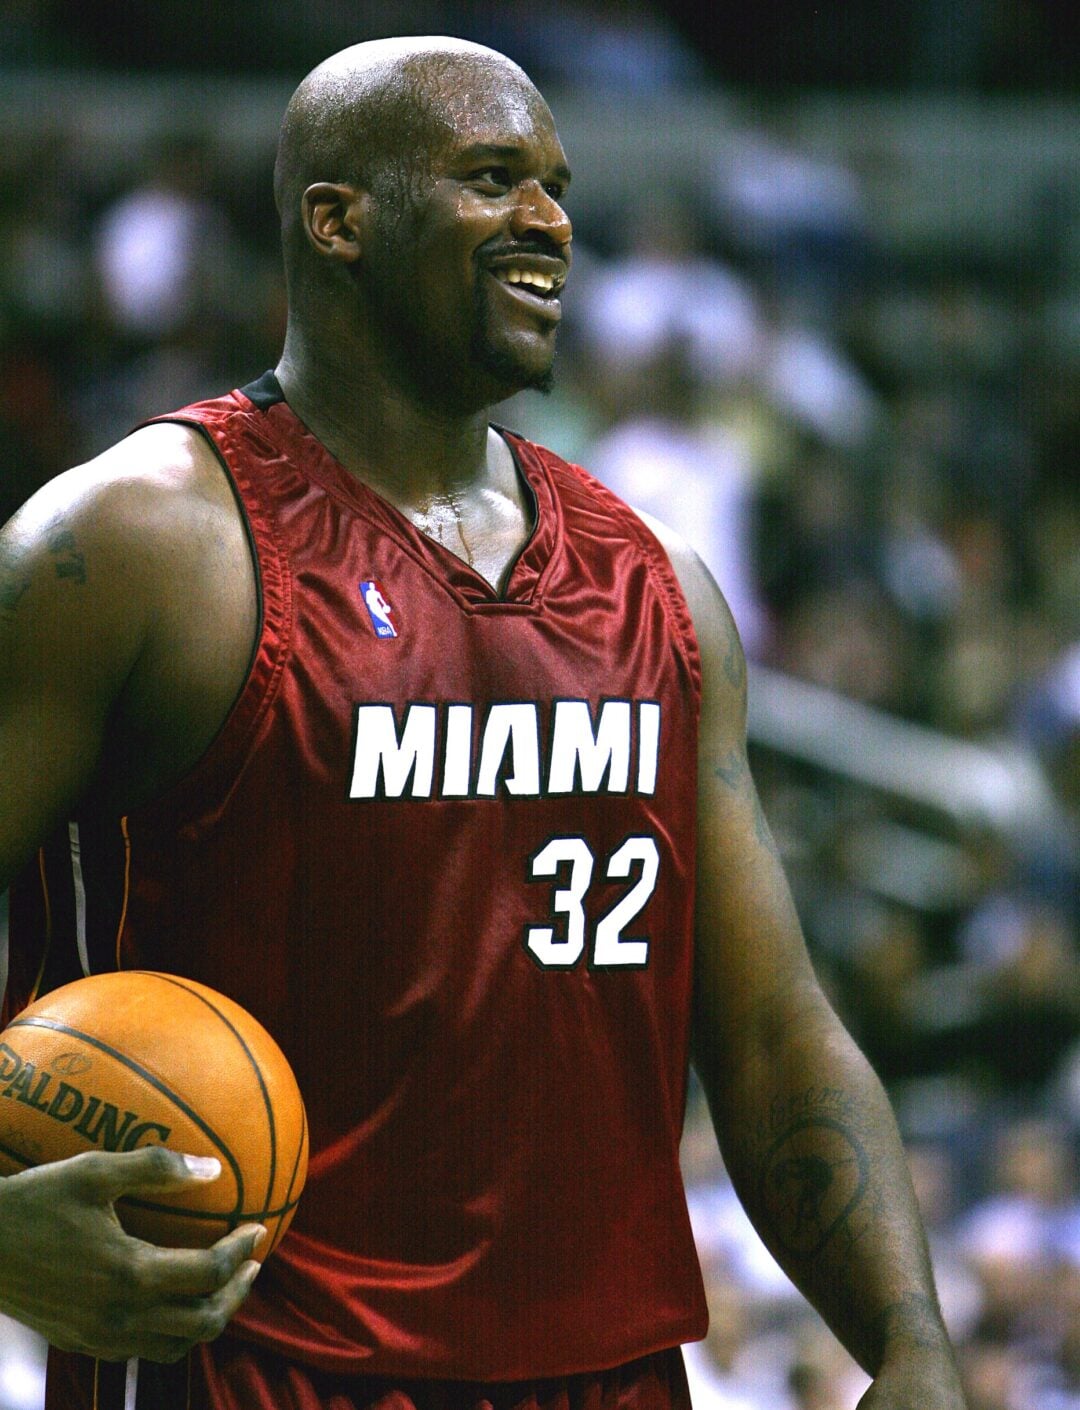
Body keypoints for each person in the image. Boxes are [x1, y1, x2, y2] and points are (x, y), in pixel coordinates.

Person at [0, 36, 966, 1410]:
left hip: (609, 1376)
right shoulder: (136, 543)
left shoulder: (658, 585)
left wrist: (911, 1333)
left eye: (559, 186)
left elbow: (766, 1026)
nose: (553, 222)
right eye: (493, 177)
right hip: (248, 1372)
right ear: (338, 220)